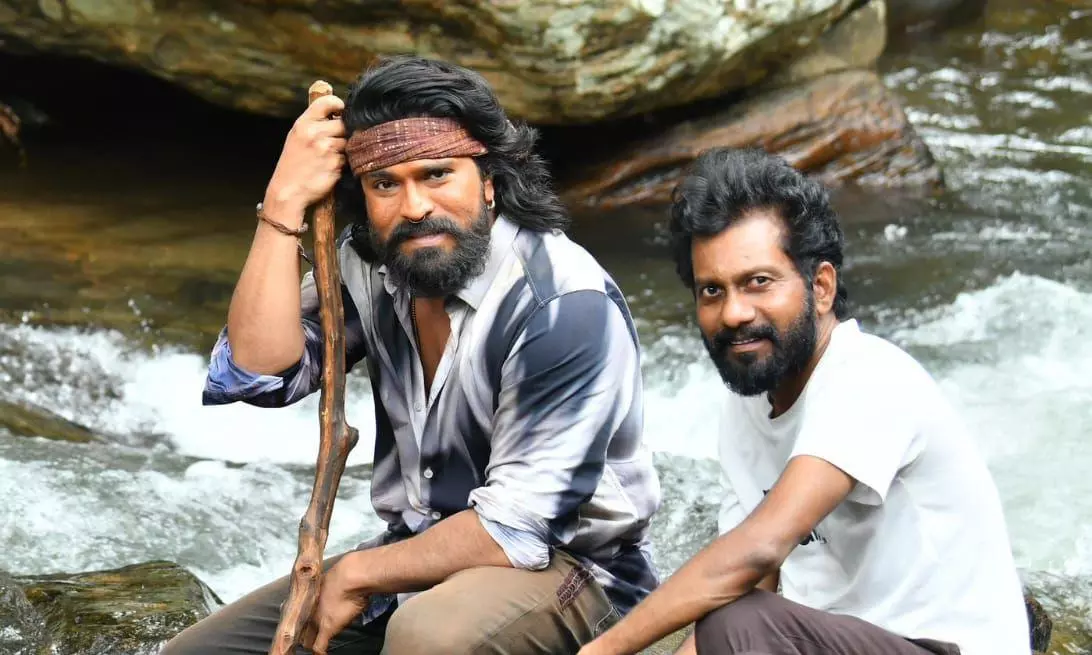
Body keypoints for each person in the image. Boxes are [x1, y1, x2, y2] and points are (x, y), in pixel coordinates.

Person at [164, 55, 661, 655]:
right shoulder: (374, 265)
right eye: (385, 184)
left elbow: (518, 528)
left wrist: (359, 573)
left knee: (429, 638)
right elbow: (257, 373)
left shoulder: (559, 302)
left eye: (437, 174)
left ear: (490, 181)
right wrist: (283, 204)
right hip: (417, 558)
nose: (415, 206)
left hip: (574, 571)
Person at [578, 148, 1029, 655]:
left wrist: (604, 650)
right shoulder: (748, 407)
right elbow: (745, 585)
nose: (734, 313)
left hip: (944, 646)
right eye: (712, 291)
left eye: (758, 282)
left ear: (821, 286)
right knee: (737, 614)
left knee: (743, 622)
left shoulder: (868, 377)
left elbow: (758, 552)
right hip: (846, 640)